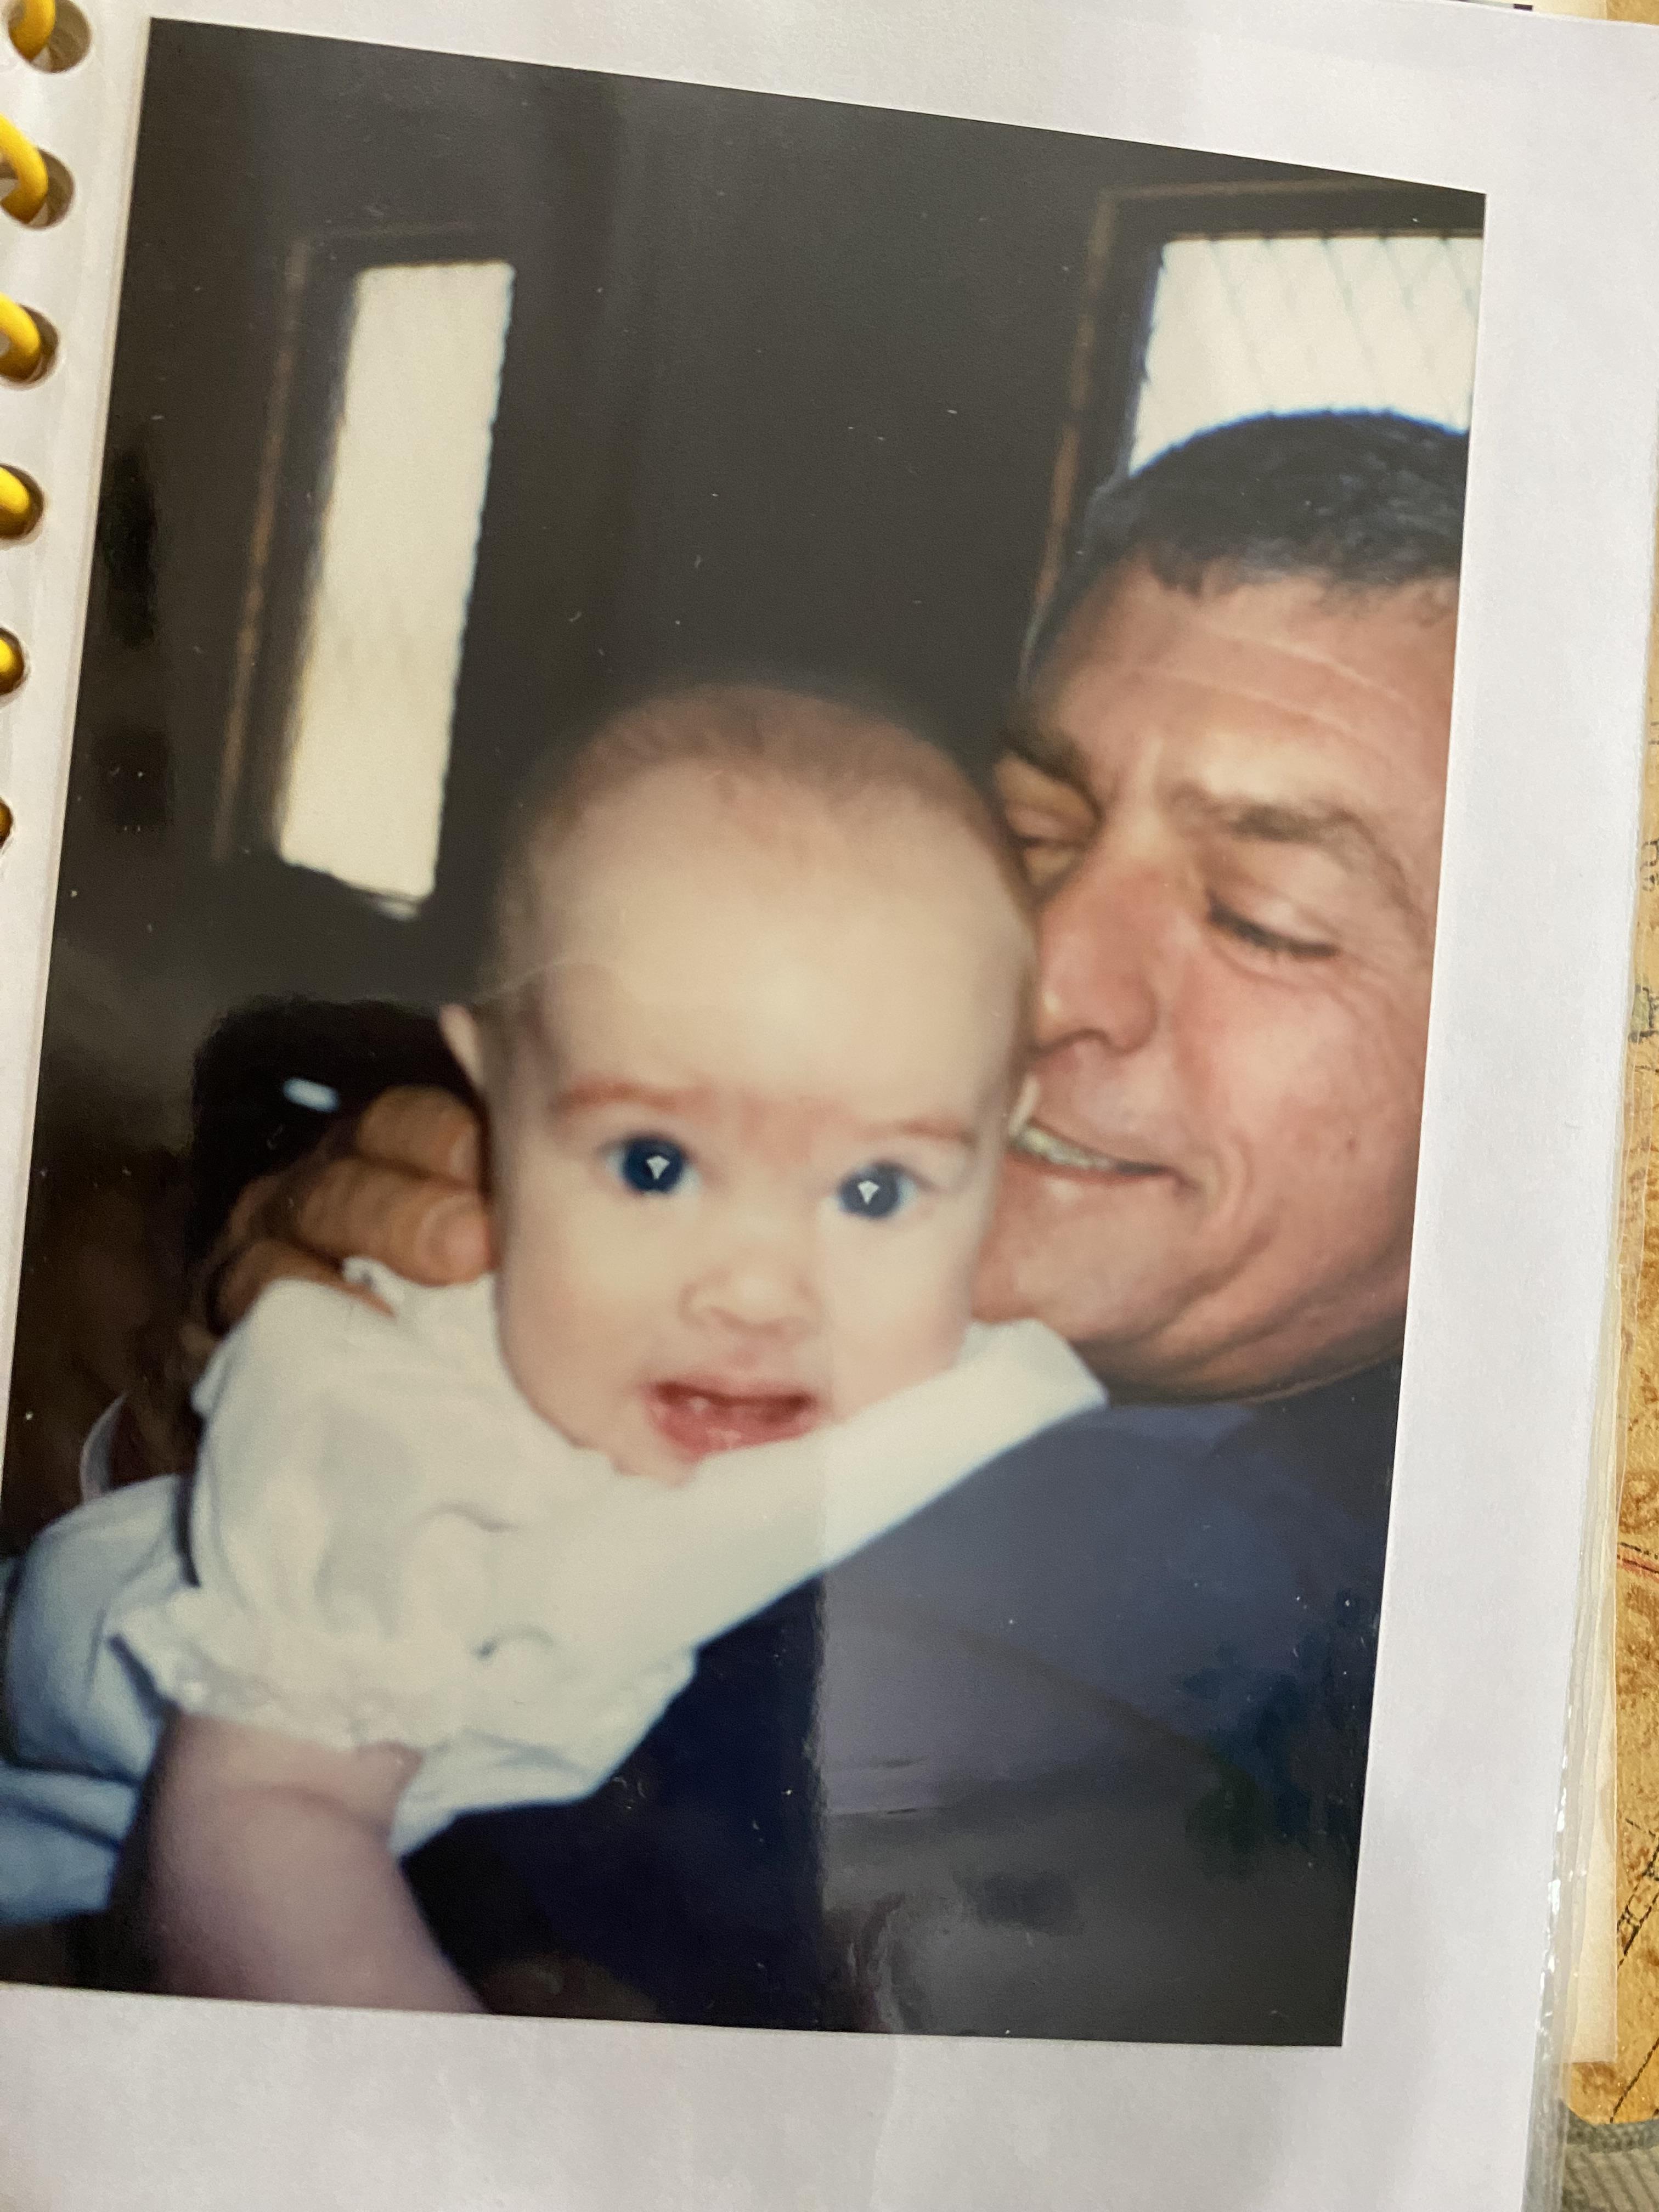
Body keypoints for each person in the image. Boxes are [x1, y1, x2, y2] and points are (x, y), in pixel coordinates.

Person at [7, 409, 1466, 2039]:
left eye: (1264, 920)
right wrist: (208, 1434)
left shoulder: (1361, 1676)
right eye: (1032, 831)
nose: (1047, 972)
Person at [0, 685, 1105, 2007]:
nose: (759, 1293)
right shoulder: (389, 1412)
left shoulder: (1012, 1409)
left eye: (875, 1190)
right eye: (652, 1165)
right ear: (491, 1091)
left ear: (1003, 1139)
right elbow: (260, 1831)